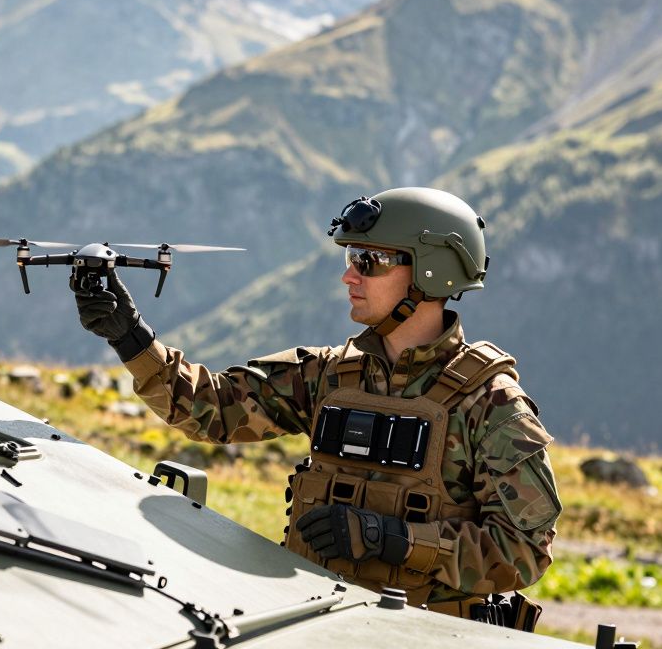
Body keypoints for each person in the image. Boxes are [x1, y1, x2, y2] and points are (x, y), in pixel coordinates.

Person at [73, 187, 559, 630]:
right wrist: (129, 335)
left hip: (429, 635)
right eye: (350, 257)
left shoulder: (490, 405)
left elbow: (522, 552)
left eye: (369, 261)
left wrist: (391, 539)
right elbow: (213, 409)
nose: (349, 275)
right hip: (319, 624)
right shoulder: (328, 376)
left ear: (430, 271)